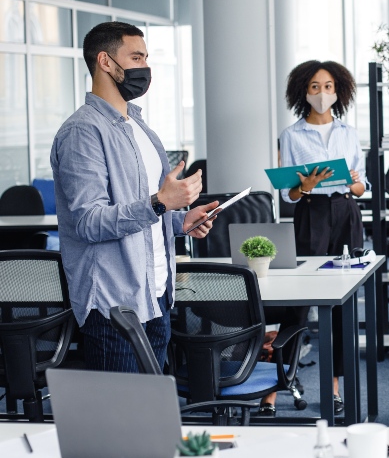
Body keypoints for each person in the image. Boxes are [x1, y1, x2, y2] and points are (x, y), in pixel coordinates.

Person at [50, 21, 218, 372]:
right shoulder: (83, 132)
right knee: (122, 419)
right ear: (106, 62)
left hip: (155, 294)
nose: (145, 67)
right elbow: (88, 222)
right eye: (136, 57)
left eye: (146, 57)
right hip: (114, 302)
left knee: (150, 412)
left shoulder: (139, 126)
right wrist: (160, 202)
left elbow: (143, 210)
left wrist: (178, 220)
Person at [259, 60, 367, 416]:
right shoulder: (291, 135)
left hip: (346, 213)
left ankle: (334, 389)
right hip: (311, 213)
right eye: (315, 87)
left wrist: (354, 182)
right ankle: (275, 386)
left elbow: (362, 185)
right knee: (297, 302)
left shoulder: (349, 132)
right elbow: (288, 194)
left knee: (339, 302)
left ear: (340, 91)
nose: (323, 94)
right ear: (303, 92)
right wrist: (302, 188)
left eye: (329, 86)